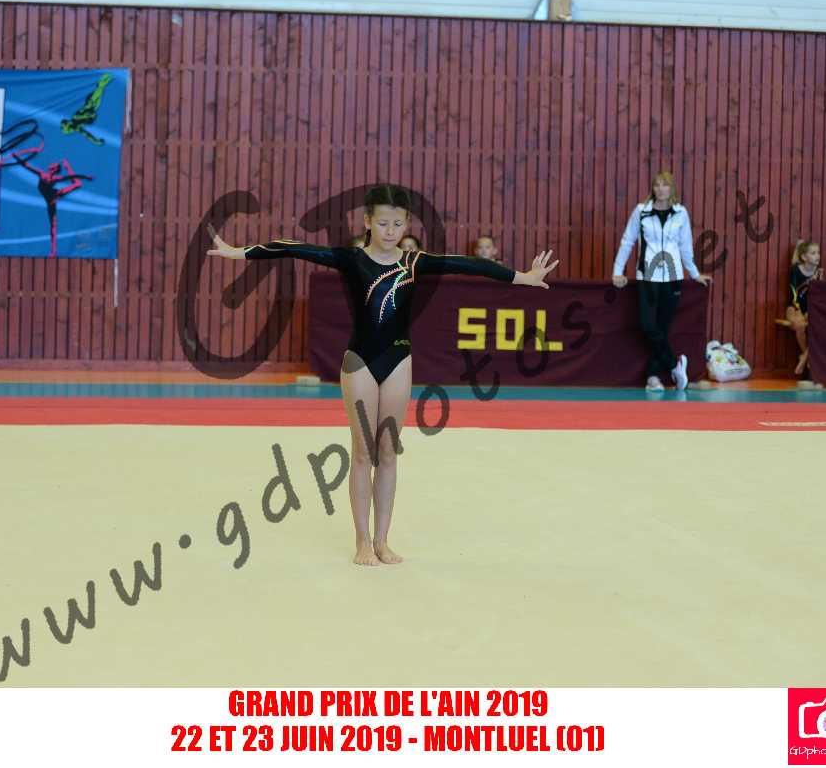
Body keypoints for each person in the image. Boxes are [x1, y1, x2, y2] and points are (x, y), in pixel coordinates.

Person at [208, 184, 558, 567]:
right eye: (382, 223)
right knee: (363, 452)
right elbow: (292, 247)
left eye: (397, 224)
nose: (390, 231)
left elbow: (470, 264)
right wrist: (239, 252)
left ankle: (382, 540)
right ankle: (362, 541)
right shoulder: (352, 259)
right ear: (367, 222)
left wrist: (522, 277)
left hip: (398, 361)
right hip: (359, 362)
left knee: (388, 452)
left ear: (406, 224)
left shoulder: (414, 262)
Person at [611, 170, 712, 392]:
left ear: (671, 188)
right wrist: (617, 271)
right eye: (657, 185)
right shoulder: (641, 211)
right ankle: (675, 365)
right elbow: (627, 241)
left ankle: (653, 377)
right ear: (652, 188)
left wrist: (694, 273)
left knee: (662, 329)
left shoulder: (681, 213)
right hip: (647, 276)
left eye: (665, 185)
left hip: (673, 277)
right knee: (648, 326)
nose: (660, 189)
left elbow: (685, 246)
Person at [786, 240, 821, 376]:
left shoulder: (819, 272)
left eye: (818, 253)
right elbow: (794, 292)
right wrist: (799, 311)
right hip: (794, 307)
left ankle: (804, 358)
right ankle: (806, 355)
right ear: (804, 257)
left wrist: (809, 312)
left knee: (820, 327)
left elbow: (819, 296)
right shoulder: (796, 270)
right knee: (799, 325)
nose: (817, 256)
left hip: (811, 309)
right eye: (813, 253)